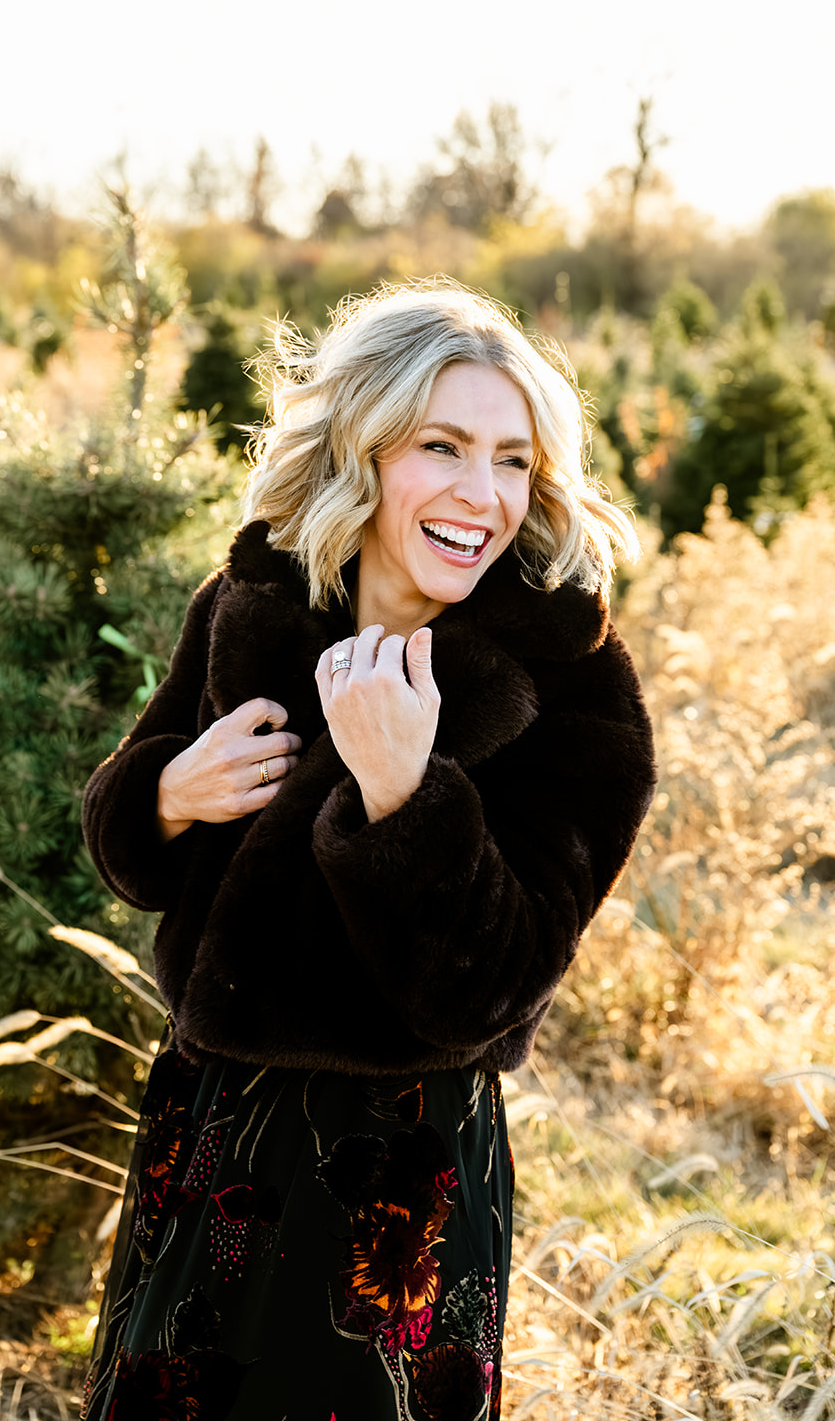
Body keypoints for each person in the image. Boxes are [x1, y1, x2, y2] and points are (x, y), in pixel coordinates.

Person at [80, 281, 656, 1421]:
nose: (481, 494)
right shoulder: (254, 605)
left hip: (398, 1173)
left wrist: (403, 793)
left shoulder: (569, 682)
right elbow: (128, 851)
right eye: (441, 446)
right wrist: (166, 796)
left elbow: (494, 984)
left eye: (510, 460)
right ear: (360, 448)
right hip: (212, 1123)